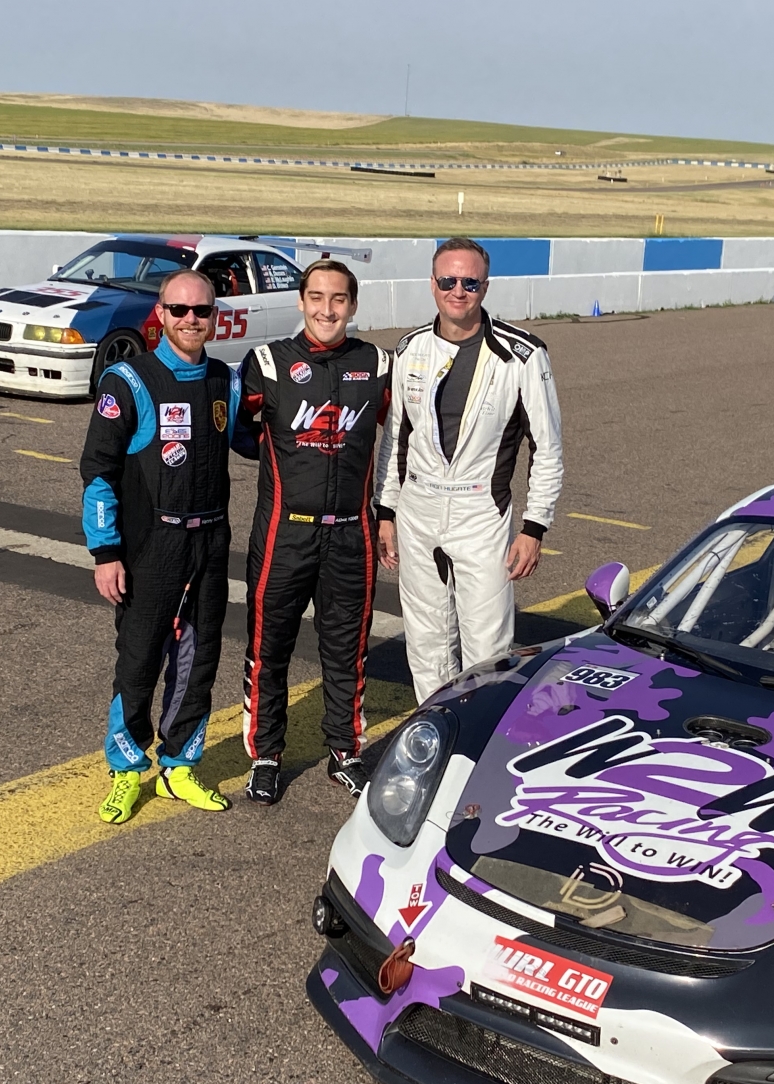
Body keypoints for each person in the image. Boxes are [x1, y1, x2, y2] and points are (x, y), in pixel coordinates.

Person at [81, 269, 243, 821]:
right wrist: (106, 552)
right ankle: (127, 769)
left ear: (214, 316)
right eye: (180, 310)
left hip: (211, 541)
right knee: (139, 659)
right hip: (151, 544)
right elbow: (98, 471)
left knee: (199, 659)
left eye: (202, 310)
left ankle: (179, 766)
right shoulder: (129, 380)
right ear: (161, 313)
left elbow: (262, 441)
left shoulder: (226, 381)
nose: (191, 319)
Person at [375, 237, 563, 702]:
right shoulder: (410, 348)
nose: (457, 291)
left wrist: (534, 527)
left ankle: (481, 732)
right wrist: (386, 511)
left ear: (485, 286)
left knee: (488, 645)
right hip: (417, 509)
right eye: (448, 281)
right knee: (426, 641)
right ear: (432, 284)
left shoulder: (523, 354)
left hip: (481, 512)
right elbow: (396, 437)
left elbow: (547, 447)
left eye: (469, 282)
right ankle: (435, 728)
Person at [235, 260, 390, 806]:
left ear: (353, 304)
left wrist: (388, 513)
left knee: (347, 649)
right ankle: (266, 756)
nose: (328, 309)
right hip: (285, 532)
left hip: (352, 533)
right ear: (301, 301)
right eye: (317, 297)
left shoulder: (377, 364)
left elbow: (399, 438)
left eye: (339, 299)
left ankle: (345, 752)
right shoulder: (267, 362)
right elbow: (238, 432)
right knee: (268, 646)